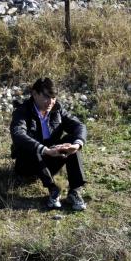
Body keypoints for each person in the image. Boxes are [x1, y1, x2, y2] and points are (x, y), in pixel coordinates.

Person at [10, 77, 88, 211]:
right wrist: (45, 150)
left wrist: (76, 145)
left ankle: (74, 191)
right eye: (46, 97)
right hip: (28, 165)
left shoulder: (57, 110)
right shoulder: (22, 111)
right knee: (30, 144)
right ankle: (53, 190)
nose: (51, 102)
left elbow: (79, 126)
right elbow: (18, 134)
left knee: (71, 141)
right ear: (34, 94)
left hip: (51, 159)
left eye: (53, 97)